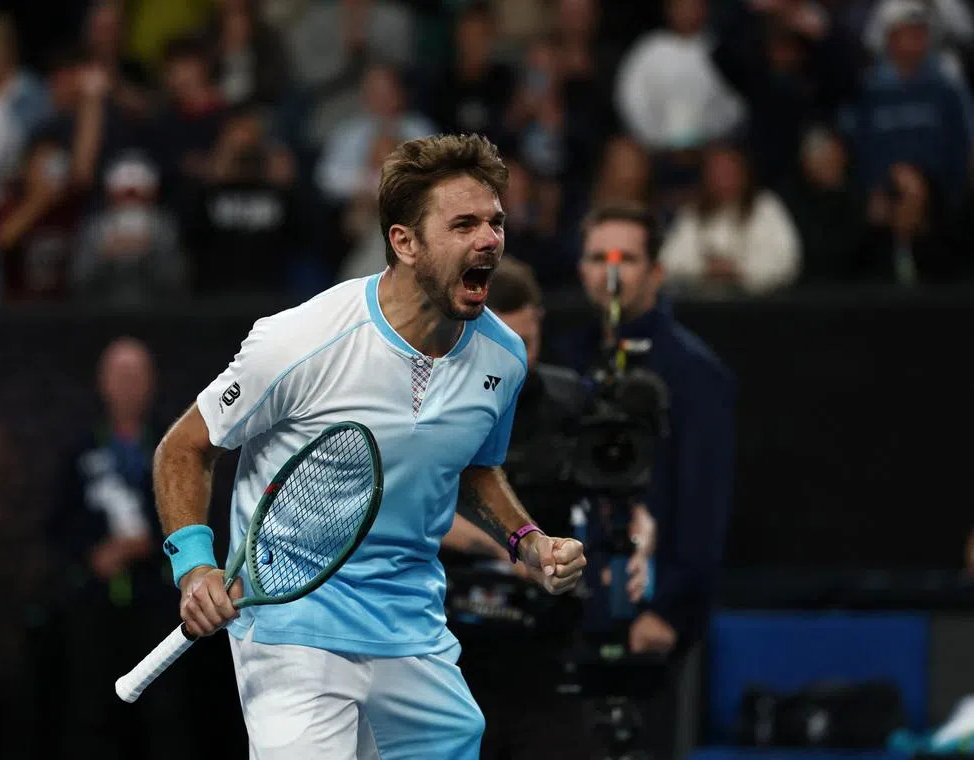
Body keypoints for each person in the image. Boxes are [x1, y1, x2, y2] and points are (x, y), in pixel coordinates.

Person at [152, 133, 587, 759]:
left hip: (413, 628)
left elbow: (473, 467)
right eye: (463, 223)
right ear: (404, 242)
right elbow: (184, 447)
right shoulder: (296, 341)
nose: (490, 240)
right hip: (292, 630)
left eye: (495, 221)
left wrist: (529, 542)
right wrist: (195, 567)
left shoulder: (504, 357)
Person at [439, 256, 655, 760]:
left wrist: (638, 543)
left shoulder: (571, 401)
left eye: (525, 345)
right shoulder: (433, 401)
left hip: (545, 644)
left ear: (538, 322)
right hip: (449, 639)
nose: (515, 362)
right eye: (500, 348)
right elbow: (414, 502)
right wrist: (515, 552)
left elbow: (623, 487)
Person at [569, 202, 736, 759]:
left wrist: (668, 610)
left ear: (656, 272)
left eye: (625, 258)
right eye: (597, 257)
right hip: (576, 613)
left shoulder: (693, 372)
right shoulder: (570, 364)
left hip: (652, 620)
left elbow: (705, 502)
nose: (609, 272)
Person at [47, 338, 193, 759]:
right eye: (120, 375)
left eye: (138, 375)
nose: (129, 385)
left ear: (152, 382)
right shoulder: (78, 451)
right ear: (103, 382)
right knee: (92, 713)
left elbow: (200, 515)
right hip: (93, 606)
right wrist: (93, 556)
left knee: (166, 715)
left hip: (159, 605)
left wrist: (151, 546)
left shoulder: (173, 446)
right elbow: (56, 526)